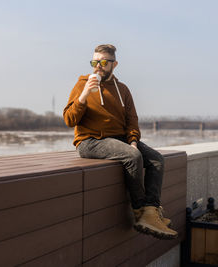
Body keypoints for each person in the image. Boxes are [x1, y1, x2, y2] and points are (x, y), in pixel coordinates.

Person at [63, 44, 178, 240]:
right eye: (94, 62)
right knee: (132, 156)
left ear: (114, 64)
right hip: (90, 141)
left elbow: (132, 119)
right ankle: (140, 211)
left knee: (157, 159)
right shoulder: (82, 84)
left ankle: (151, 212)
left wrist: (133, 140)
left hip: (119, 138)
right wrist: (84, 96)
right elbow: (69, 120)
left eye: (103, 62)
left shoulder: (122, 89)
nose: (98, 66)